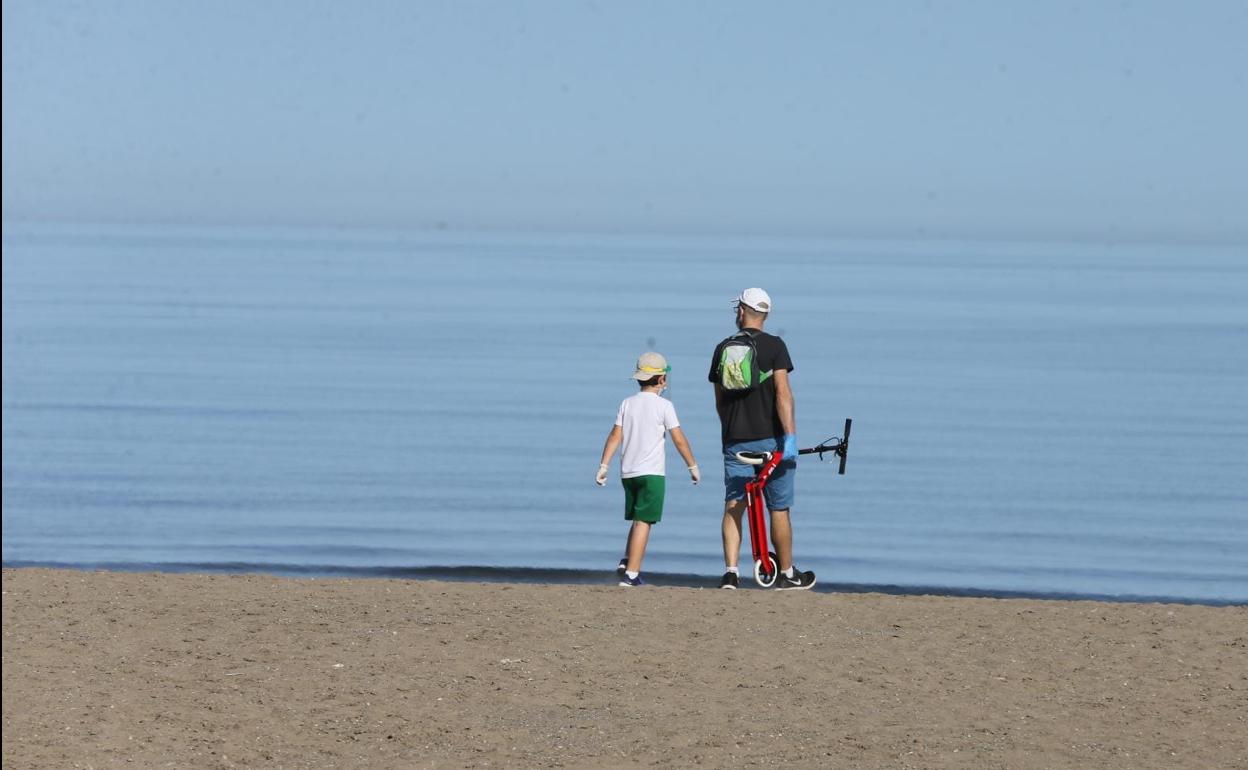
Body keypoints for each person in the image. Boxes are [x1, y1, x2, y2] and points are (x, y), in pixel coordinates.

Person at [708, 288, 815, 590]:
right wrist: (791, 438)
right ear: (765, 315)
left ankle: (730, 573)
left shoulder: (722, 348)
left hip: (735, 440)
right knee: (778, 508)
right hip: (774, 441)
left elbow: (719, 400)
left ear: (742, 311)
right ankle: (787, 573)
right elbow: (784, 395)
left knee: (734, 503)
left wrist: (728, 431)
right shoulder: (776, 347)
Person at [595, 352, 700, 587]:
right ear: (662, 379)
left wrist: (604, 465)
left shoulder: (627, 403)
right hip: (652, 474)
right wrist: (692, 465)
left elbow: (615, 435)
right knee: (644, 521)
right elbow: (679, 439)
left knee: (637, 518)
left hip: (628, 473)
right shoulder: (665, 406)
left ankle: (626, 560)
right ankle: (632, 574)